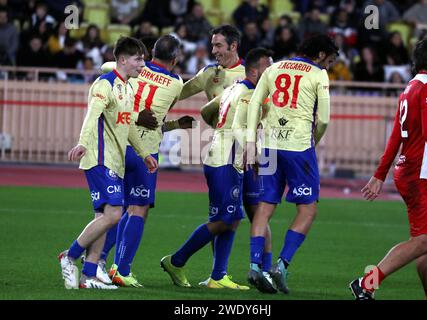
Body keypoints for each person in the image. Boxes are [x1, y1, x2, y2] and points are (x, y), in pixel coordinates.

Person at [160, 47, 273, 290]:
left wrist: (218, 128)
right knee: (226, 219)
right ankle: (177, 260)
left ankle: (218, 276)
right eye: (268, 67)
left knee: (230, 219)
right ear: (255, 70)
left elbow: (206, 110)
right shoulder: (248, 94)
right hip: (226, 159)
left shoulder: (234, 88)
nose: (271, 71)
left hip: (220, 156)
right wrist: (252, 154)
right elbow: (239, 129)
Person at [350, 37, 427, 301]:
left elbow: (396, 136)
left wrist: (380, 174)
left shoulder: (410, 89)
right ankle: (366, 283)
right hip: (421, 173)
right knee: (426, 239)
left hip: (410, 169)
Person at [58, 37, 158, 290]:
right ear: (123, 59)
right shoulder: (105, 84)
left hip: (116, 159)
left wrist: (144, 153)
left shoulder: (128, 87)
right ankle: (69, 256)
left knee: (103, 217)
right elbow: (92, 115)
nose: (142, 65)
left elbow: (128, 125)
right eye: (138, 59)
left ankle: (88, 275)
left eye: (143, 59)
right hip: (99, 158)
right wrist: (82, 142)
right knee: (114, 214)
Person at [97, 35, 194, 287]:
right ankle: (121, 268)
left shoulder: (131, 68)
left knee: (116, 210)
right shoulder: (175, 82)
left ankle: (99, 261)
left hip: (118, 144)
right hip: (144, 151)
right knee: (138, 209)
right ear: (175, 59)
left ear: (150, 53)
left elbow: (106, 67)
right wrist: (169, 123)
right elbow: (157, 119)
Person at [246, 34, 338, 294]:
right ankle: (282, 265)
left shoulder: (274, 68)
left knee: (264, 207)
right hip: (298, 148)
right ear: (320, 55)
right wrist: (313, 143)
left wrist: (252, 141)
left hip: (270, 145)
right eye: (329, 60)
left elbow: (255, 103)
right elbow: (323, 120)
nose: (328, 66)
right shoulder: (319, 74)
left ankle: (254, 265)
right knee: (307, 210)